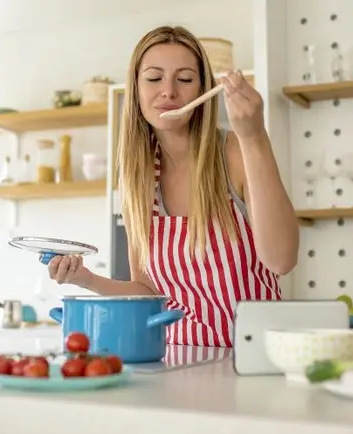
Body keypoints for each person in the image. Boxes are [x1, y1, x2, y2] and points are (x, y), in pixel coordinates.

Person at [46, 25, 299, 347]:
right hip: (179, 358)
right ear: (136, 89)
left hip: (253, 359)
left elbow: (282, 260)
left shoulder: (236, 151)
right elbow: (148, 292)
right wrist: (86, 279)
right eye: (154, 78)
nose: (168, 91)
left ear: (203, 89)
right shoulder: (138, 176)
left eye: (184, 79)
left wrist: (254, 137)